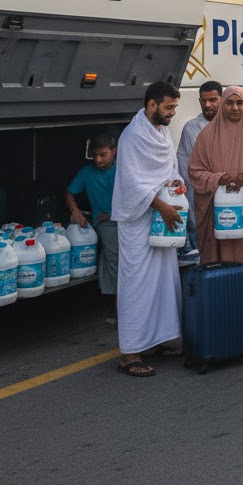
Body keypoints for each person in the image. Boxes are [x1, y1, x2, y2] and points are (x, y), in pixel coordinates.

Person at [186, 86, 243, 344]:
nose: (235, 108)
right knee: (218, 268)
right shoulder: (206, 136)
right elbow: (194, 170)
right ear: (222, 105)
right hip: (217, 218)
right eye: (230, 103)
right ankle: (219, 328)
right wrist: (218, 179)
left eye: (239, 103)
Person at [113, 81, 186, 377]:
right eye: (169, 107)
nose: (172, 113)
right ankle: (130, 353)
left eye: (175, 108)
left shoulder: (161, 131)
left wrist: (175, 184)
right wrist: (162, 206)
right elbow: (131, 182)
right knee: (137, 285)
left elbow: (168, 169)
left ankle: (156, 341)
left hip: (160, 219)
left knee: (163, 282)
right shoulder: (132, 136)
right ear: (152, 104)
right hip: (138, 221)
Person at [65, 131, 119, 322]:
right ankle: (117, 307)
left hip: (126, 220)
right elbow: (69, 193)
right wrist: (75, 211)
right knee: (113, 257)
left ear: (113, 152)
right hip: (104, 223)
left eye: (103, 155)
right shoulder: (87, 172)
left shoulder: (123, 169)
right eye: (95, 155)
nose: (98, 160)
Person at [176, 80, 222, 256]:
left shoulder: (233, 125)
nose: (207, 104)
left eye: (212, 100)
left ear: (222, 99)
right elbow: (184, 166)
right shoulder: (191, 128)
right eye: (204, 100)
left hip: (228, 197)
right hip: (200, 198)